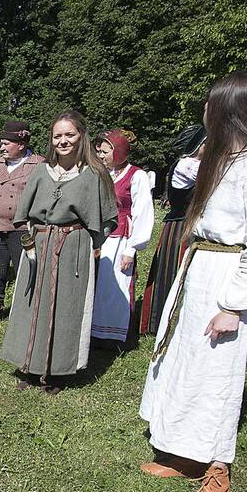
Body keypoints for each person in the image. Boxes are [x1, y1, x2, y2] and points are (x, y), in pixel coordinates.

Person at [139, 71, 247, 492]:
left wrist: (234, 305)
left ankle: (217, 469)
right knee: (185, 360)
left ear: (232, 109)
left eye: (211, 105)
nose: (204, 113)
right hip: (201, 267)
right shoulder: (226, 156)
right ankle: (185, 453)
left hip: (230, 277)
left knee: (219, 372)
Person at [0, 111, 117, 393]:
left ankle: (57, 372)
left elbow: (108, 217)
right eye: (57, 136)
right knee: (31, 304)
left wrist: (91, 242)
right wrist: (29, 241)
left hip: (72, 247)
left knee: (66, 308)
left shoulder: (94, 175)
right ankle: (28, 364)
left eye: (69, 135)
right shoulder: (41, 170)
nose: (63, 141)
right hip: (38, 244)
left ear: (81, 137)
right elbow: (23, 213)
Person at [139, 125, 206, 336]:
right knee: (175, 273)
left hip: (187, 225)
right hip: (181, 227)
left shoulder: (197, 164)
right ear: (198, 146)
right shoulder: (187, 165)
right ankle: (164, 321)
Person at [91, 129, 155, 345]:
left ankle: (115, 335)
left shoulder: (136, 175)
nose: (100, 156)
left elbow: (143, 213)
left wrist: (131, 249)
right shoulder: (102, 174)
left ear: (118, 152)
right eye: (99, 151)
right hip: (100, 238)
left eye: (105, 152)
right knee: (97, 286)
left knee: (115, 286)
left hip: (121, 240)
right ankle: (94, 332)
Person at [0, 122, 44, 327]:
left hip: (22, 230)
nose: (3, 147)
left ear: (21, 144)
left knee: (25, 270)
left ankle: (27, 310)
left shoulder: (39, 165)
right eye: (2, 143)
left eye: (7, 143)